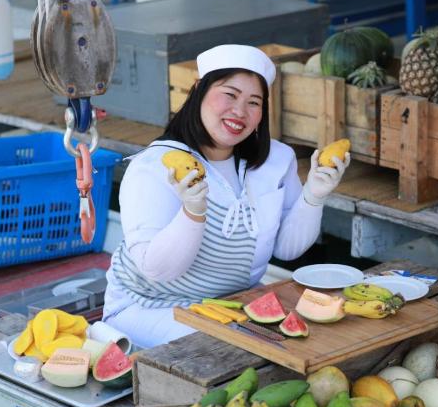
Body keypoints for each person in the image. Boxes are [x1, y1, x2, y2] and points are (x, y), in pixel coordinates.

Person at [103, 45, 350, 348]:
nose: (240, 111)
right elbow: (158, 270)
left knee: (305, 339)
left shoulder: (276, 160)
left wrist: (314, 195)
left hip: (234, 303)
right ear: (198, 90)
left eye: (254, 102)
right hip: (151, 305)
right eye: (230, 95)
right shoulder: (154, 167)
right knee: (240, 349)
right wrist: (193, 212)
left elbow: (287, 250)